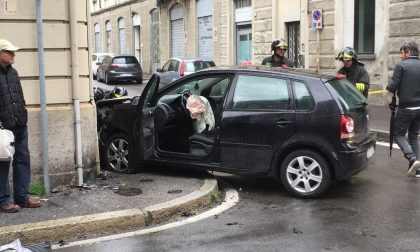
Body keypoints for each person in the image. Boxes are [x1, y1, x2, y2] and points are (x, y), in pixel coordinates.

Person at [0, 39, 41, 213]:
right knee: (2, 163)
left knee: (23, 160)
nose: (13, 55)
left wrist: (23, 115)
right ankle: (3, 200)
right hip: (3, 127)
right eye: (9, 52)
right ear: (1, 53)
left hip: (19, 124)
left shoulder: (13, 72)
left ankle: (22, 197)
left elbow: (20, 97)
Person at [386, 40, 420, 177]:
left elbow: (393, 86)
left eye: (402, 53)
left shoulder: (401, 66)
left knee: (398, 135)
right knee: (413, 136)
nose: (401, 56)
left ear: (408, 52)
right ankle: (417, 169)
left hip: (406, 108)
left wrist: (389, 88)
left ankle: (412, 158)